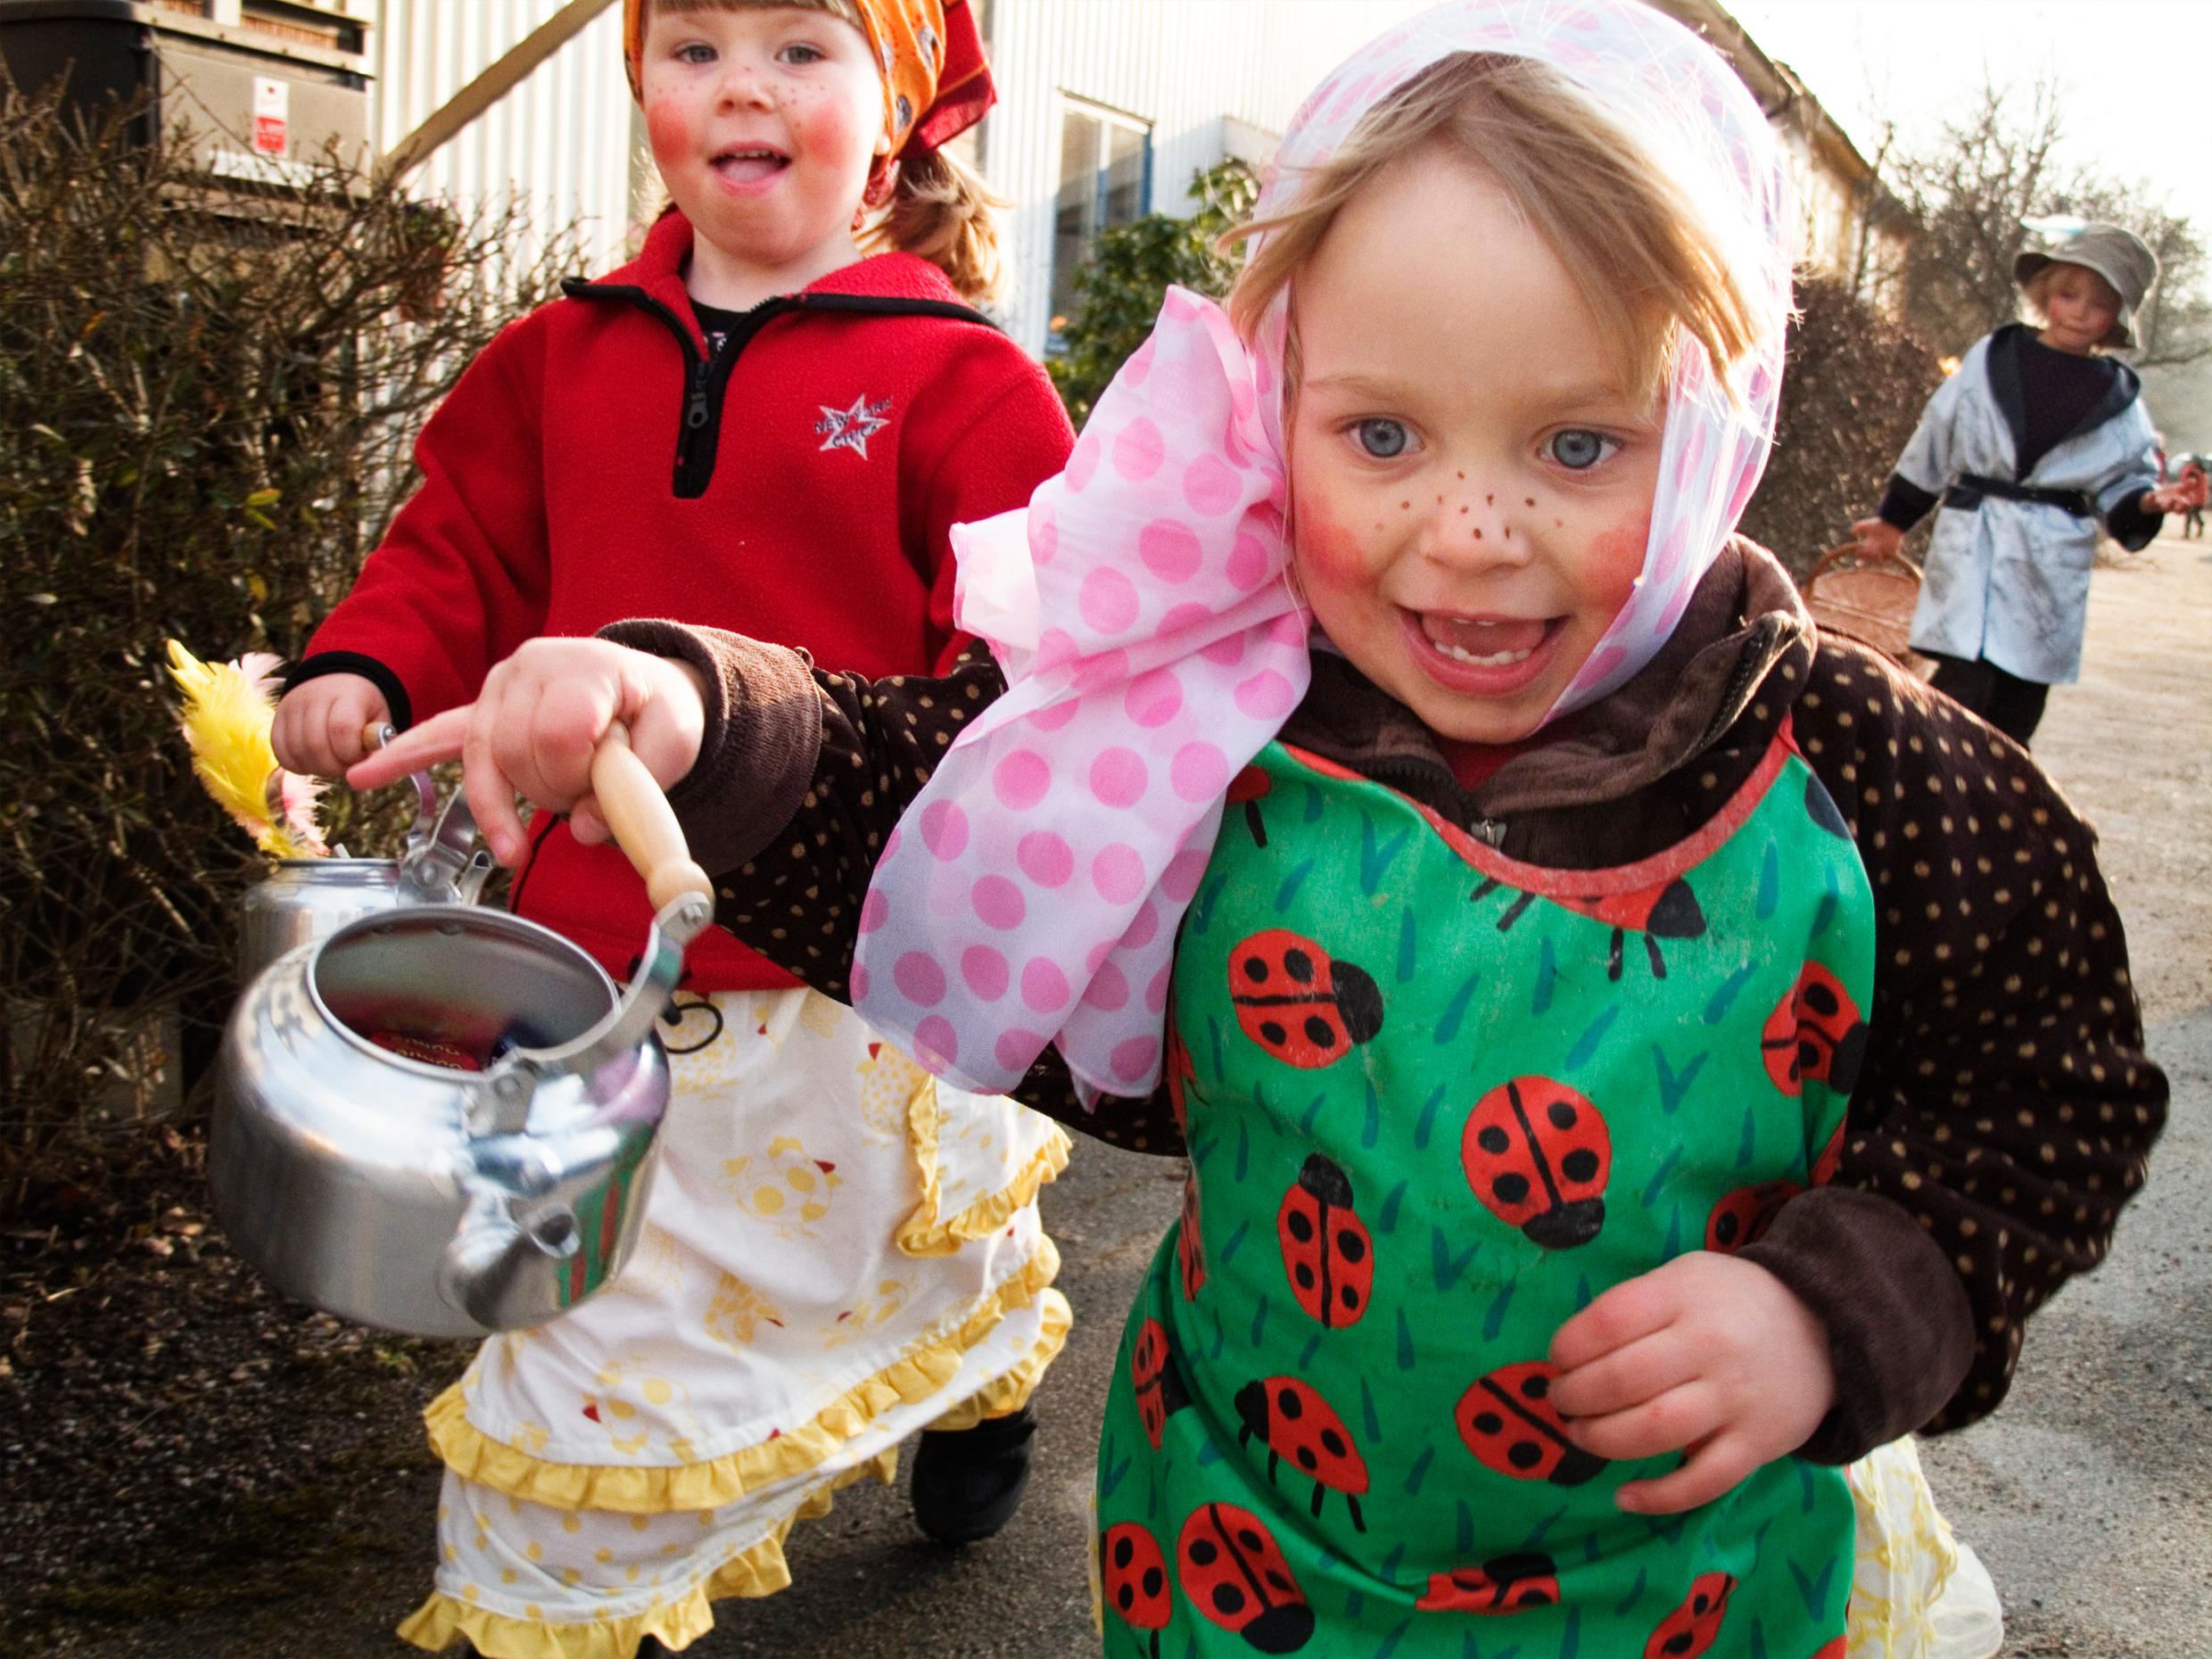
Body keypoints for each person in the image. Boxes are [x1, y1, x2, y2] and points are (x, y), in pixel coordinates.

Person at [358, 3, 2166, 1654]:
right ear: (1271, 407)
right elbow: (922, 782)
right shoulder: (1214, 716)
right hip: (1247, 1555)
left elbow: (2047, 1085)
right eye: (1378, 434)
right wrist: (688, 710)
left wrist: (1848, 1310)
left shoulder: (1872, 782)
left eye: (1579, 447)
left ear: (1715, 423)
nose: (1467, 528)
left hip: (1678, 1591)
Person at [273, 3, 1077, 1654]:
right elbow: (460, 550)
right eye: (693, 45)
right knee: (589, 1370)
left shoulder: (963, 381)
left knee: (916, 1248)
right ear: (641, 83)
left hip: (851, 974)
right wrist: (366, 659)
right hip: (598, 970)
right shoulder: (559, 356)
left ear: (902, 102)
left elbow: (1026, 673)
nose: (741, 88)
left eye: (802, 45)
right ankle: (551, 1597)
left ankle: (982, 1382)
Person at [1852, 223, 2197, 747]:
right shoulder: (1992, 358)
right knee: (1961, 685)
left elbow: (2123, 480)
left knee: (2020, 698)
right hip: (1975, 541)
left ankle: (2001, 804)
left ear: (2117, 318)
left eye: (2098, 304)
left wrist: (2150, 500)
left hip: (2048, 557)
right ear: (2045, 295)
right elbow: (1937, 437)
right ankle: (1933, 789)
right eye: (2068, 294)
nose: (2080, 311)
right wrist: (1894, 519)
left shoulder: (2119, 399)